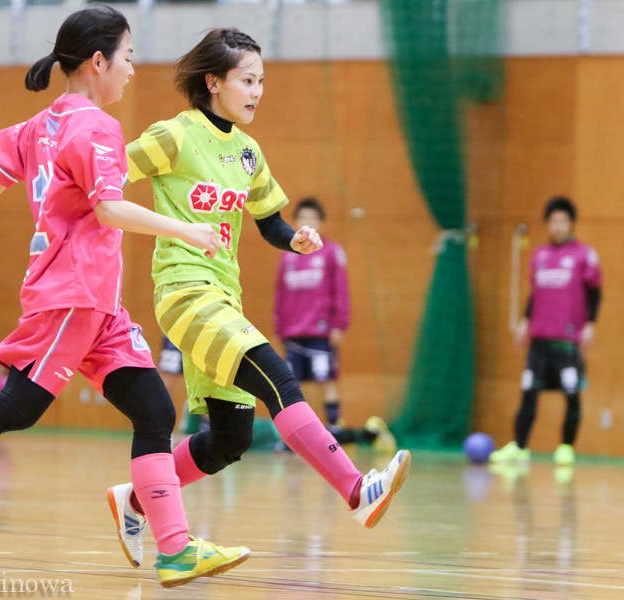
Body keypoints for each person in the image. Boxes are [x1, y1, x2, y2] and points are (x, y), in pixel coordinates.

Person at [0, 7, 248, 588]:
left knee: (154, 411)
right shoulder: (97, 127)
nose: (132, 69)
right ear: (99, 61)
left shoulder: (43, 123)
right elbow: (109, 208)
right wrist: (185, 230)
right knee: (18, 406)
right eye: (129, 57)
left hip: (98, 305)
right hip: (72, 295)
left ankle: (175, 549)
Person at [106, 28, 411, 569]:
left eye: (261, 81)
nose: (257, 92)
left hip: (224, 297)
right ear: (213, 82)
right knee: (279, 379)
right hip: (184, 291)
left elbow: (269, 221)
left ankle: (135, 500)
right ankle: (356, 491)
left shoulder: (248, 153)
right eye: (247, 80)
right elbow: (103, 180)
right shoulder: (173, 136)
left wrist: (295, 239)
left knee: (230, 439)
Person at [274, 197, 396, 453]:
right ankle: (296, 436)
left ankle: (333, 430)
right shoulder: (287, 256)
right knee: (292, 385)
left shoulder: (331, 252)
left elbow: (341, 290)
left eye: (313, 218)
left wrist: (339, 324)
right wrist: (280, 326)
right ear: (295, 222)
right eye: (302, 218)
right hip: (293, 333)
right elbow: (280, 294)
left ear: (320, 223)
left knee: (326, 381)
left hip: (320, 332)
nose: (307, 222)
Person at [490, 197, 601, 466]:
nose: (558, 226)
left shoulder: (584, 255)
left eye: (563, 220)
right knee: (529, 392)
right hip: (539, 341)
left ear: (571, 223)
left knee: (572, 394)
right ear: (548, 224)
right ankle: (519, 447)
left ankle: (566, 448)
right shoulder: (540, 256)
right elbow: (535, 294)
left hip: (567, 341)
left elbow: (595, 292)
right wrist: (525, 321)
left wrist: (590, 324)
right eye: (553, 221)